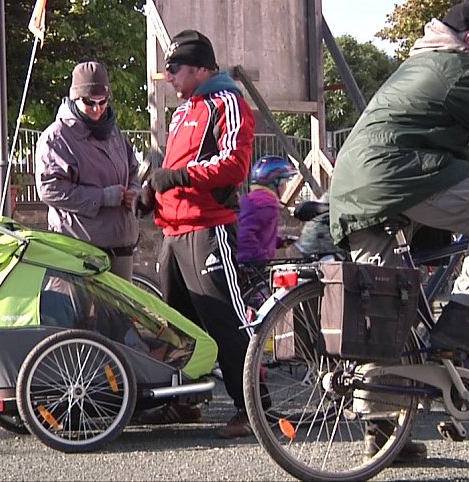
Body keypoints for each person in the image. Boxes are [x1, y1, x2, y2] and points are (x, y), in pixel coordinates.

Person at [328, 0, 469, 462]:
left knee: (386, 305)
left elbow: (438, 137)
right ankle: (465, 316)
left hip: (360, 189)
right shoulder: (457, 68)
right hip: (398, 181)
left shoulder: (425, 65)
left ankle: (383, 435)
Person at [135, 29, 256, 438]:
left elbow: (234, 165)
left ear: (201, 68)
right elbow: (173, 169)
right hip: (173, 230)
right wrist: (152, 194)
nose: (169, 76)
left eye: (175, 68)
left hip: (208, 228)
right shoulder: (184, 110)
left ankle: (254, 408)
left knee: (225, 320)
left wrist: (177, 177)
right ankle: (183, 402)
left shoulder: (227, 102)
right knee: (176, 325)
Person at [35, 61, 140, 281]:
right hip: (81, 250)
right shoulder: (58, 137)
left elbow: (132, 169)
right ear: (75, 98)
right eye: (89, 102)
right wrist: (102, 197)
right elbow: (49, 188)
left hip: (121, 247)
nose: (97, 109)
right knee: (84, 306)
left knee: (121, 305)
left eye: (103, 102)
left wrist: (134, 193)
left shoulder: (114, 133)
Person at [237, 155, 298, 266]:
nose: (285, 188)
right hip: (250, 267)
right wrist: (262, 258)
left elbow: (258, 231)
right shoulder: (266, 204)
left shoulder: (250, 199)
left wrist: (279, 241)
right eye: (284, 183)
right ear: (275, 183)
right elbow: (244, 235)